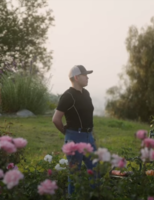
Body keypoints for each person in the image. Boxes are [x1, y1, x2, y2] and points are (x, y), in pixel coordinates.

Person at [52, 65, 97, 195]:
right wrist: (67, 133)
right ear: (76, 78)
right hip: (74, 137)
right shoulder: (68, 96)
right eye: (85, 75)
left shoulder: (86, 93)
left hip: (89, 137)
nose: (87, 77)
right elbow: (56, 119)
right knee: (74, 175)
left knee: (96, 171)